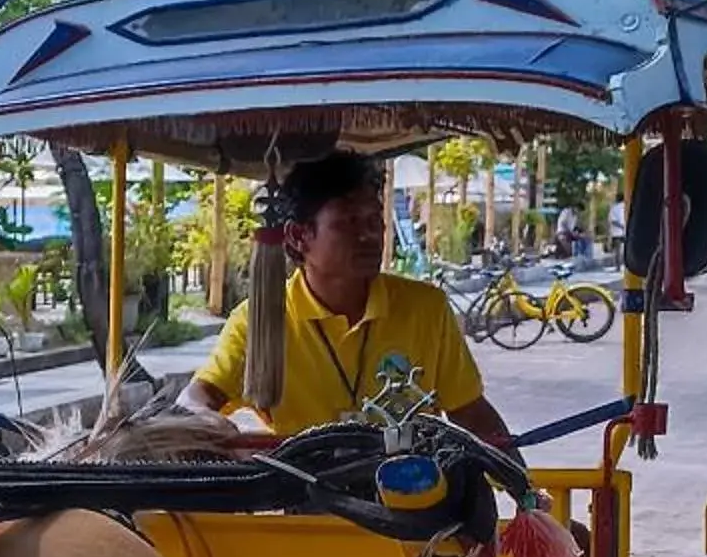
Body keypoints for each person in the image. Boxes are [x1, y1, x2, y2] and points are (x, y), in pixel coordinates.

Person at [184, 149, 512, 444]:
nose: (369, 234)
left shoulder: (426, 308)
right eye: (349, 222)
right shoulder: (260, 320)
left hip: (412, 503)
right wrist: (211, 429)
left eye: (374, 220)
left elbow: (470, 412)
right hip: (308, 505)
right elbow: (194, 400)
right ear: (300, 236)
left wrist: (524, 491)